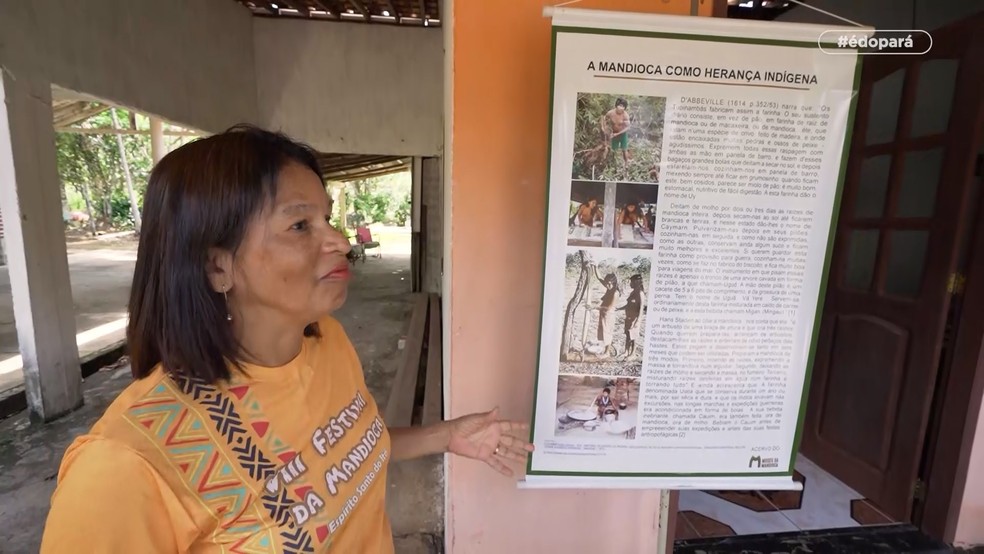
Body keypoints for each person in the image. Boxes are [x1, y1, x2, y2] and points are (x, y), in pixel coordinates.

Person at [40, 126, 533, 553]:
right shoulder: (123, 469)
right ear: (218, 266)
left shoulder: (326, 343)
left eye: (327, 216)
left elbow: (349, 452)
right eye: (300, 225)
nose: (339, 239)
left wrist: (448, 436)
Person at [593, 268, 621, 357]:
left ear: (614, 282)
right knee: (601, 332)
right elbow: (599, 277)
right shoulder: (609, 288)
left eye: (609, 283)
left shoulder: (615, 293)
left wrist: (595, 307)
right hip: (603, 313)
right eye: (606, 283)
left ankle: (607, 352)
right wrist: (595, 266)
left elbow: (609, 308)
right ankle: (602, 350)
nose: (607, 285)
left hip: (609, 315)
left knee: (607, 333)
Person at [618, 274, 646, 358]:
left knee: (633, 336)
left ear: (636, 282)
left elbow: (641, 308)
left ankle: (632, 354)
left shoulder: (640, 293)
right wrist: (619, 308)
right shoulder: (633, 292)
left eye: (632, 282)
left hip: (634, 318)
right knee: (628, 335)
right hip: (629, 317)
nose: (630, 284)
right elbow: (628, 305)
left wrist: (638, 320)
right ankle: (626, 351)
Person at [601, 97, 631, 165]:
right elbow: (604, 118)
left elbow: (628, 127)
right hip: (614, 133)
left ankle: (626, 163)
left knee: (624, 149)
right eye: (620, 105)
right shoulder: (611, 113)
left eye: (623, 106)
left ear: (625, 108)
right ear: (616, 105)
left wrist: (618, 134)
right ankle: (612, 163)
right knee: (613, 149)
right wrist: (603, 127)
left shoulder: (625, 115)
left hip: (622, 133)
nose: (621, 108)